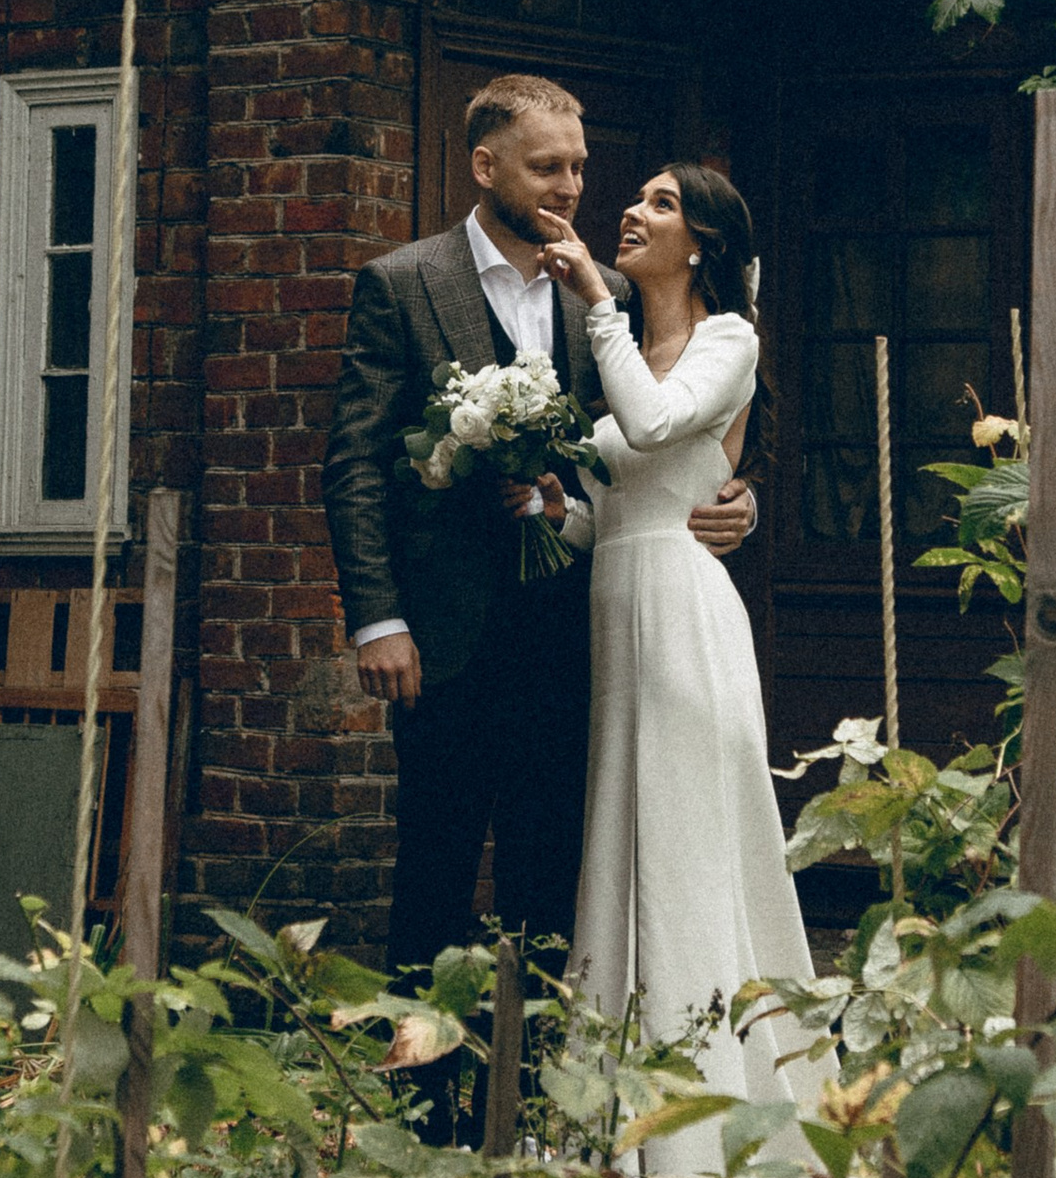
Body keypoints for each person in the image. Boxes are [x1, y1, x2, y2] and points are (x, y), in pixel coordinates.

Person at [322, 74, 758, 997]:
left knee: (552, 876)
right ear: (485, 167)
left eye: (579, 168)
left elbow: (669, 438)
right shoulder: (401, 284)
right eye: (546, 167)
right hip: (444, 635)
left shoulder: (608, 301)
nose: (569, 189)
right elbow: (355, 465)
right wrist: (377, 620)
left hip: (575, 633)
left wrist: (733, 496)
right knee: (434, 869)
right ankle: (424, 1109)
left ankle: (531, 1100)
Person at [535, 162, 828, 1178]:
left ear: (699, 241)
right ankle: (615, 1130)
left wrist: (600, 308)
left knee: (692, 853)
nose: (630, 210)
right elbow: (606, 508)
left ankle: (709, 1146)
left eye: (659, 203)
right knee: (621, 848)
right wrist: (540, 502)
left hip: (687, 622)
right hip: (618, 612)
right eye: (639, 197)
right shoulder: (618, 350)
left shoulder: (726, 343)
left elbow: (659, 430)